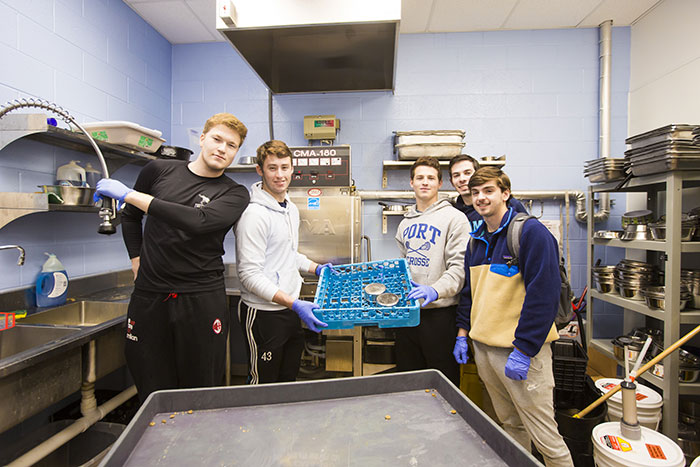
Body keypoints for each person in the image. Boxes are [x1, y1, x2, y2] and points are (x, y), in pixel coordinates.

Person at [93, 113, 251, 401]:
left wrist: (129, 194)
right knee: (151, 385)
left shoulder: (235, 193)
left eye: (231, 145)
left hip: (200, 298)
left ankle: (197, 445)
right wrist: (136, 258)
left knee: (200, 387)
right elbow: (130, 218)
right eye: (217, 139)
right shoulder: (158, 171)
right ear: (202, 139)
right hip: (150, 296)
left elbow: (198, 221)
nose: (222, 149)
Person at [453, 167, 572, 467]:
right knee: (510, 427)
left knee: (546, 437)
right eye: (476, 192)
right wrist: (463, 334)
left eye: (489, 191)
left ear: (505, 193)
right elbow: (470, 293)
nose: (481, 198)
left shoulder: (530, 233)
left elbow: (543, 294)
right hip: (485, 350)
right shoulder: (476, 240)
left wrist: (524, 349)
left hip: (521, 354)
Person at [234, 140, 329, 384]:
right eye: (272, 168)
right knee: (263, 383)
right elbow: (249, 274)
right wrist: (295, 304)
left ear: (292, 169)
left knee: (287, 378)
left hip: (288, 310)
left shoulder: (290, 209)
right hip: (263, 314)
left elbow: (288, 254)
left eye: (285, 167)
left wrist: (317, 268)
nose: (280, 175)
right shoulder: (254, 215)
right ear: (260, 170)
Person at [395, 156, 469, 386]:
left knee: (442, 387)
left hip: (440, 316)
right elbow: (404, 265)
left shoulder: (456, 219)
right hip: (408, 315)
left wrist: (434, 290)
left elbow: (459, 269)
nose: (425, 182)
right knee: (408, 382)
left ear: (440, 183)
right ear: (412, 183)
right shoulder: (405, 223)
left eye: (431, 178)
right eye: (420, 178)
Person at [448, 154, 528, 232]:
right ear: (451, 182)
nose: (462, 179)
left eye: (467, 173)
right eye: (456, 175)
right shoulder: (454, 212)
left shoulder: (508, 203)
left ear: (477, 174)